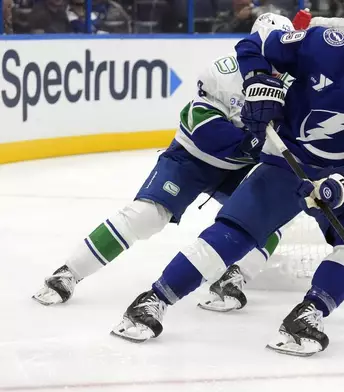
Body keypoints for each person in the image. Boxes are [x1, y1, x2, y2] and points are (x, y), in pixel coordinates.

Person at [110, 0, 344, 357]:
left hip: (336, 179)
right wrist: (258, 79)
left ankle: (309, 313)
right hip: (285, 164)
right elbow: (252, 46)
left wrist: (339, 185)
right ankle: (153, 300)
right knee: (232, 235)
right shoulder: (321, 44)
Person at [32, 13, 295, 309]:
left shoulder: (292, 84)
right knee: (146, 215)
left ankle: (235, 277)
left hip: (240, 168)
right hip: (192, 159)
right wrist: (251, 141)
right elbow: (203, 127)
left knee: (271, 217)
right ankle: (69, 272)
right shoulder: (224, 72)